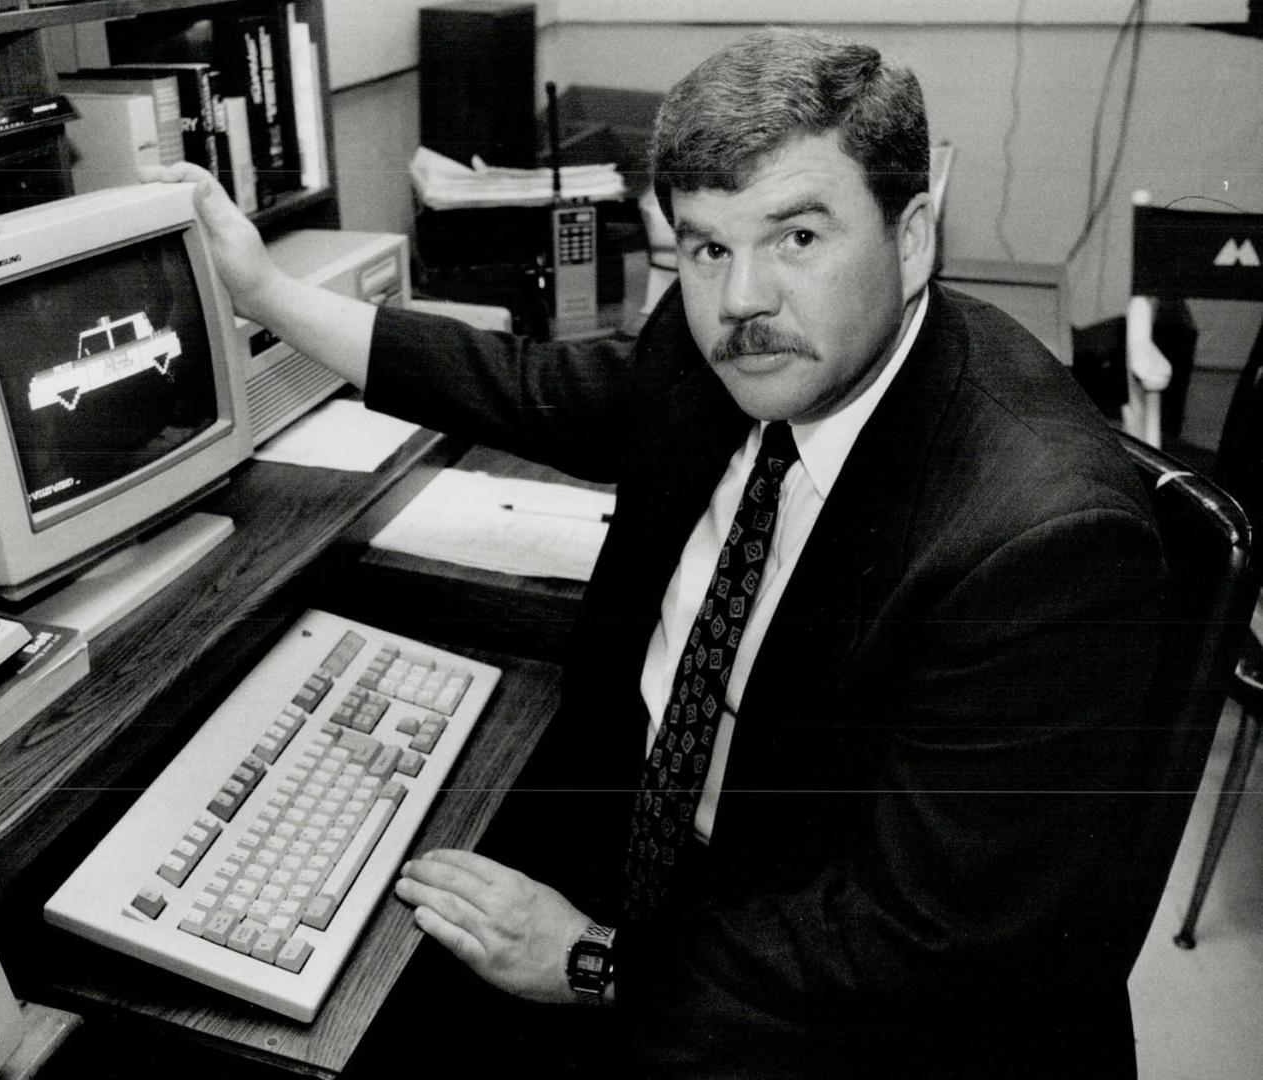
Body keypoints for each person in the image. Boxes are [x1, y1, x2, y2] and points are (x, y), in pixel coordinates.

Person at [158, 26, 1174, 1078]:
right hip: (651, 848)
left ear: (911, 238)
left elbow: (928, 945)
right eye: (705, 248)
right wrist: (268, 295)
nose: (740, 301)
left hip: (822, 987)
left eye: (797, 238)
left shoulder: (1039, 537)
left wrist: (591, 961)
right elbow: (534, 388)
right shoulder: (727, 352)